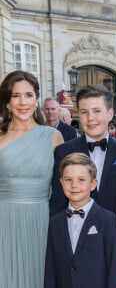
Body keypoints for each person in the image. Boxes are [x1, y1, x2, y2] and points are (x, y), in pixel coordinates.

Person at [0, 70, 63, 288]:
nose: (22, 102)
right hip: (4, 223)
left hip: (41, 223)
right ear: (8, 102)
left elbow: (62, 190)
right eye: (16, 96)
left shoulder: (53, 137)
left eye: (28, 95)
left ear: (37, 100)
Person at [50, 85, 116, 217]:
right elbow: (58, 203)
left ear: (110, 114)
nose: (90, 118)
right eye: (84, 112)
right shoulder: (63, 152)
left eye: (97, 111)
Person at [44, 153, 116, 288]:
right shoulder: (55, 223)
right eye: (68, 179)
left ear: (93, 184)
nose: (74, 185)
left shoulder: (108, 220)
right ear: (61, 182)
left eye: (81, 180)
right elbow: (50, 270)